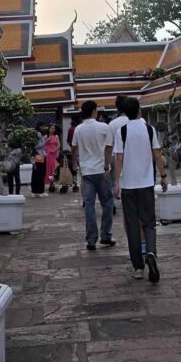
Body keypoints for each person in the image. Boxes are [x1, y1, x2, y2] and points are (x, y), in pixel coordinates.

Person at [109, 96, 168, 284]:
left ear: (125, 113)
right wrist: (163, 176)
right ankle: (151, 252)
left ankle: (138, 267)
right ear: (139, 111)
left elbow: (118, 158)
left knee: (132, 225)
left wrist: (116, 182)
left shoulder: (122, 131)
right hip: (146, 184)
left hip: (128, 185)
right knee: (149, 223)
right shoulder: (149, 129)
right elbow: (157, 154)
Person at [72, 101, 115, 251]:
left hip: (87, 172)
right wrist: (107, 166)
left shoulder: (78, 129)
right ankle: (106, 235)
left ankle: (91, 239)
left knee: (89, 205)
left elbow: (74, 148)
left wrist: (74, 163)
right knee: (107, 204)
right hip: (102, 170)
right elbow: (109, 148)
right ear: (93, 112)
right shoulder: (104, 127)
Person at [31, 125, 47, 197]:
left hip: (37, 156)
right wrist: (45, 142)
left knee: (36, 174)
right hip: (39, 156)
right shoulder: (38, 134)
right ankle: (40, 191)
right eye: (43, 126)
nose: (44, 128)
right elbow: (35, 146)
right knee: (40, 174)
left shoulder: (38, 134)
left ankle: (35, 191)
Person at [45, 123, 61, 192]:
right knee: (50, 169)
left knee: (55, 169)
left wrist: (54, 150)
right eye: (51, 128)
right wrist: (47, 141)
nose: (52, 129)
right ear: (48, 129)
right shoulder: (46, 137)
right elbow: (44, 146)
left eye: (54, 128)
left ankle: (53, 183)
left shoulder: (56, 136)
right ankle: (51, 184)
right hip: (49, 155)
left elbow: (58, 145)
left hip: (55, 154)